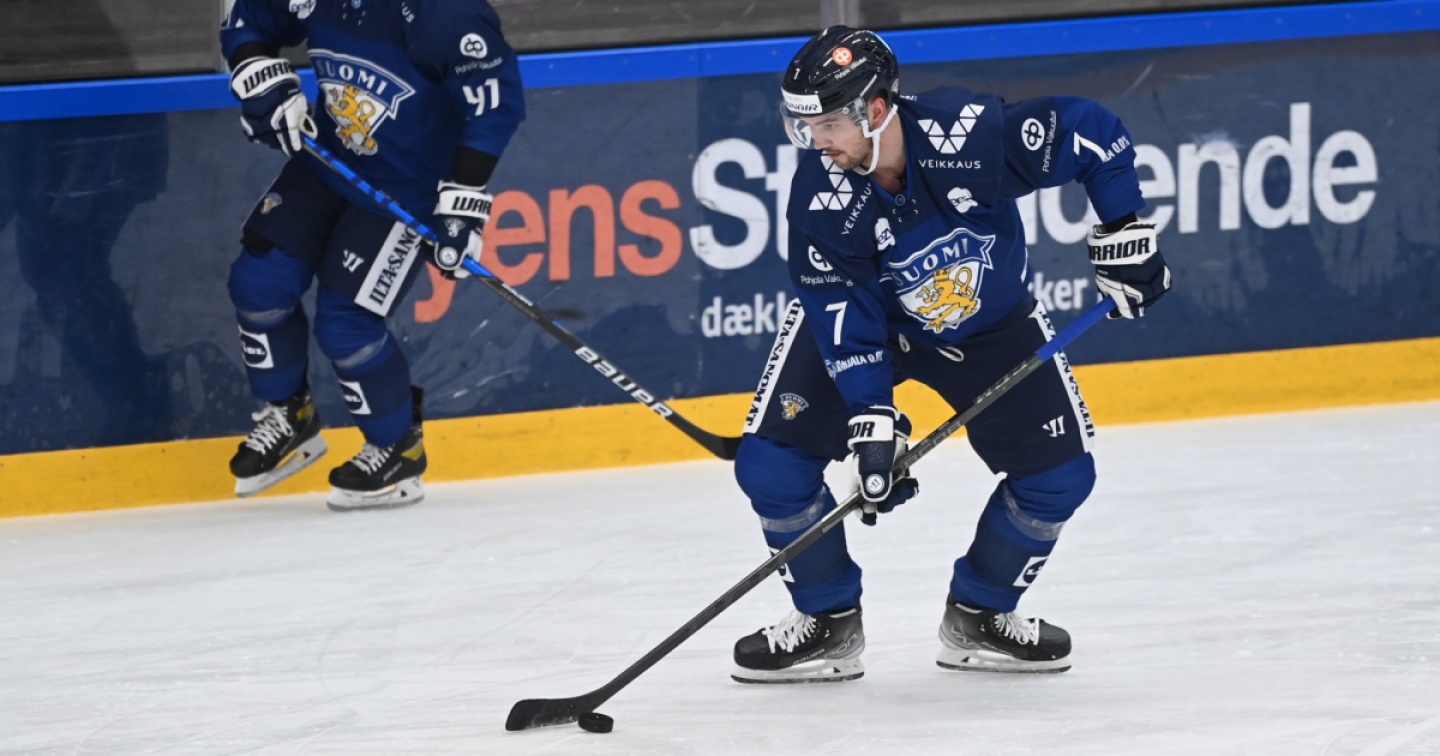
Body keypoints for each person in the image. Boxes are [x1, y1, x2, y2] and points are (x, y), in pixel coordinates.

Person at [731, 26, 1171, 682]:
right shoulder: (820, 194)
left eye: (827, 125)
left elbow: (1092, 131)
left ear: (876, 109)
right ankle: (827, 622)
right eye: (804, 128)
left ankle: (979, 613)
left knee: (1059, 478)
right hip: (873, 329)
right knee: (770, 469)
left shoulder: (966, 135)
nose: (816, 143)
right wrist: (872, 420)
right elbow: (842, 314)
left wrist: (1124, 228)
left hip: (988, 327)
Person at [219, 0, 524, 510]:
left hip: (405, 192)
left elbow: (494, 106)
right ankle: (290, 413)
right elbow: (249, 13)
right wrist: (256, 69)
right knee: (258, 282)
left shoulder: (445, 14)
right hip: (327, 162)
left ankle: (397, 447)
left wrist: (464, 199)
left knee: (346, 325)